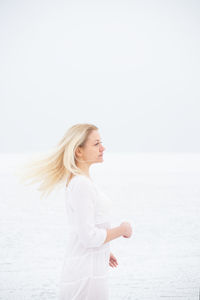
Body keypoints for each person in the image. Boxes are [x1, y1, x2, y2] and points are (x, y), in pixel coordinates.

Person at [16, 123, 132, 300]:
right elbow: (88, 237)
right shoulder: (81, 184)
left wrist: (103, 248)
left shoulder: (81, 181)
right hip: (86, 278)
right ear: (78, 151)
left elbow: (84, 229)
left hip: (88, 270)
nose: (103, 148)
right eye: (96, 144)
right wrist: (122, 230)